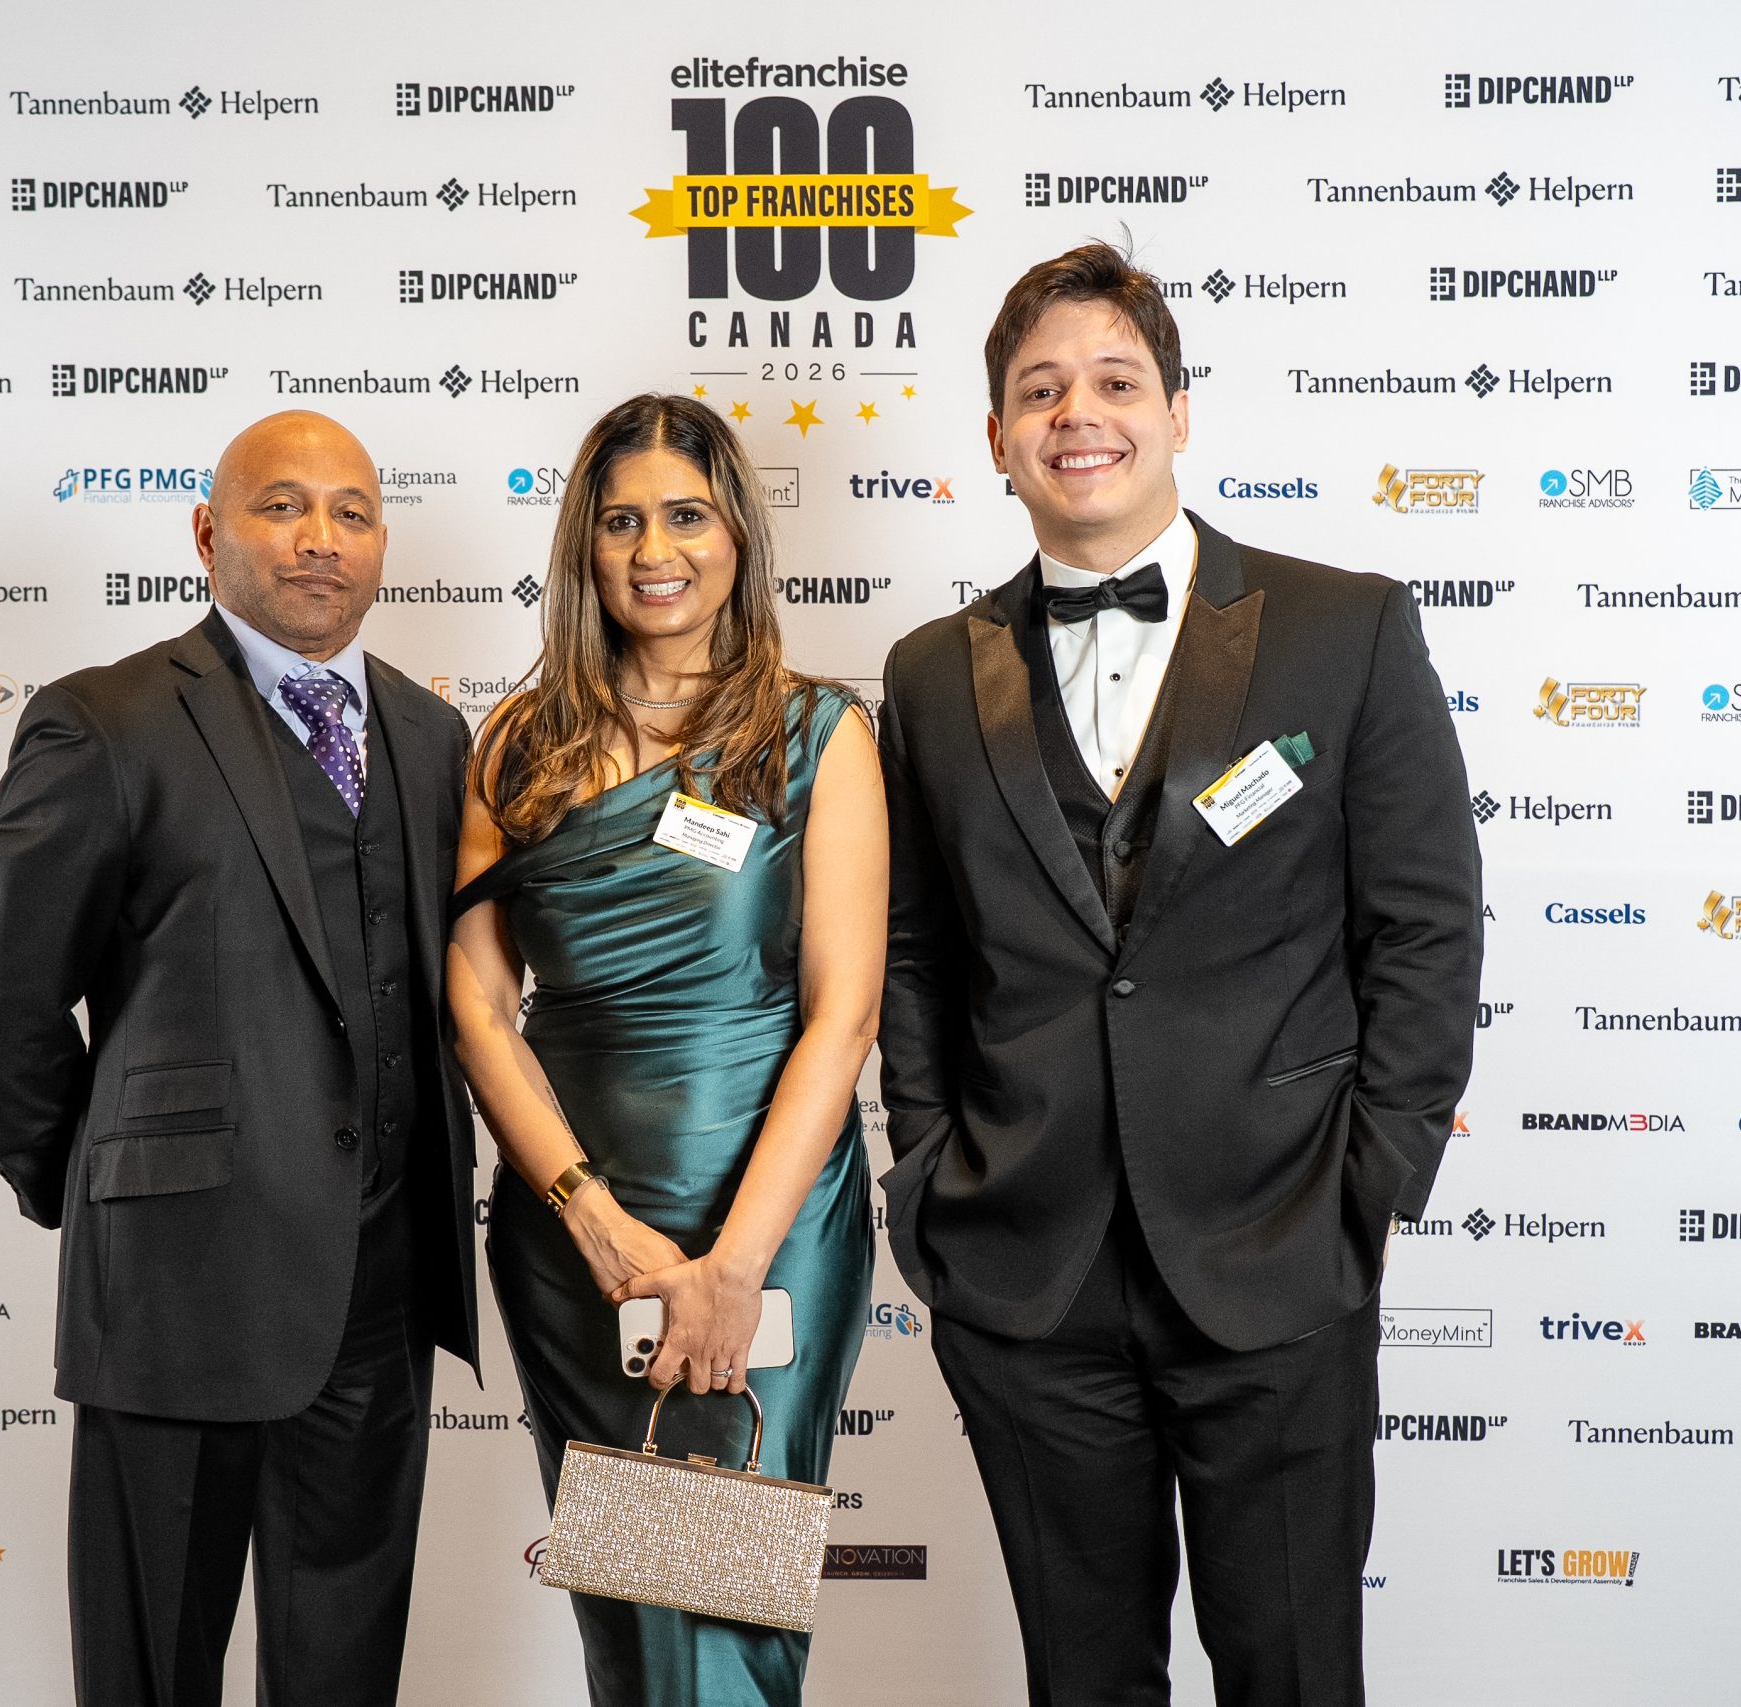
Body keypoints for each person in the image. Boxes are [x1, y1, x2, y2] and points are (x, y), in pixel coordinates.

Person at [876, 243, 1484, 1706]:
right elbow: (917, 952)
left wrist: (1373, 1179)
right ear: (996, 437)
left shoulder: (1344, 626)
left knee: (1294, 1673)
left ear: (1179, 411)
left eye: (1114, 381)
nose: (1078, 415)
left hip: (1281, 1248)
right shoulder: (930, 672)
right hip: (1029, 1270)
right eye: (1041, 392)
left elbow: (1426, 924)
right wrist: (935, 1167)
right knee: (1083, 1683)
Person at [0, 411, 478, 1707]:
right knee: (152, 1674)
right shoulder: (105, 722)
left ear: (381, 544)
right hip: (176, 1296)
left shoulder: (432, 737)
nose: (320, 538)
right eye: (282, 506)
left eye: (352, 513)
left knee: (346, 1677)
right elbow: (2, 1003)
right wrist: (100, 1191)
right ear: (207, 534)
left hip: (383, 1297)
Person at [446, 393, 886, 1707]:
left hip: (768, 1227)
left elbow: (844, 1017)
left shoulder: (817, 736)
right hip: (578, 1234)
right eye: (621, 521)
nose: (655, 550)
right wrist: (590, 1218)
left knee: (730, 1613)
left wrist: (732, 1268)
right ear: (583, 547)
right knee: (637, 1621)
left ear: (738, 535)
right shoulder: (518, 744)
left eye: (687, 515)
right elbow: (479, 1005)